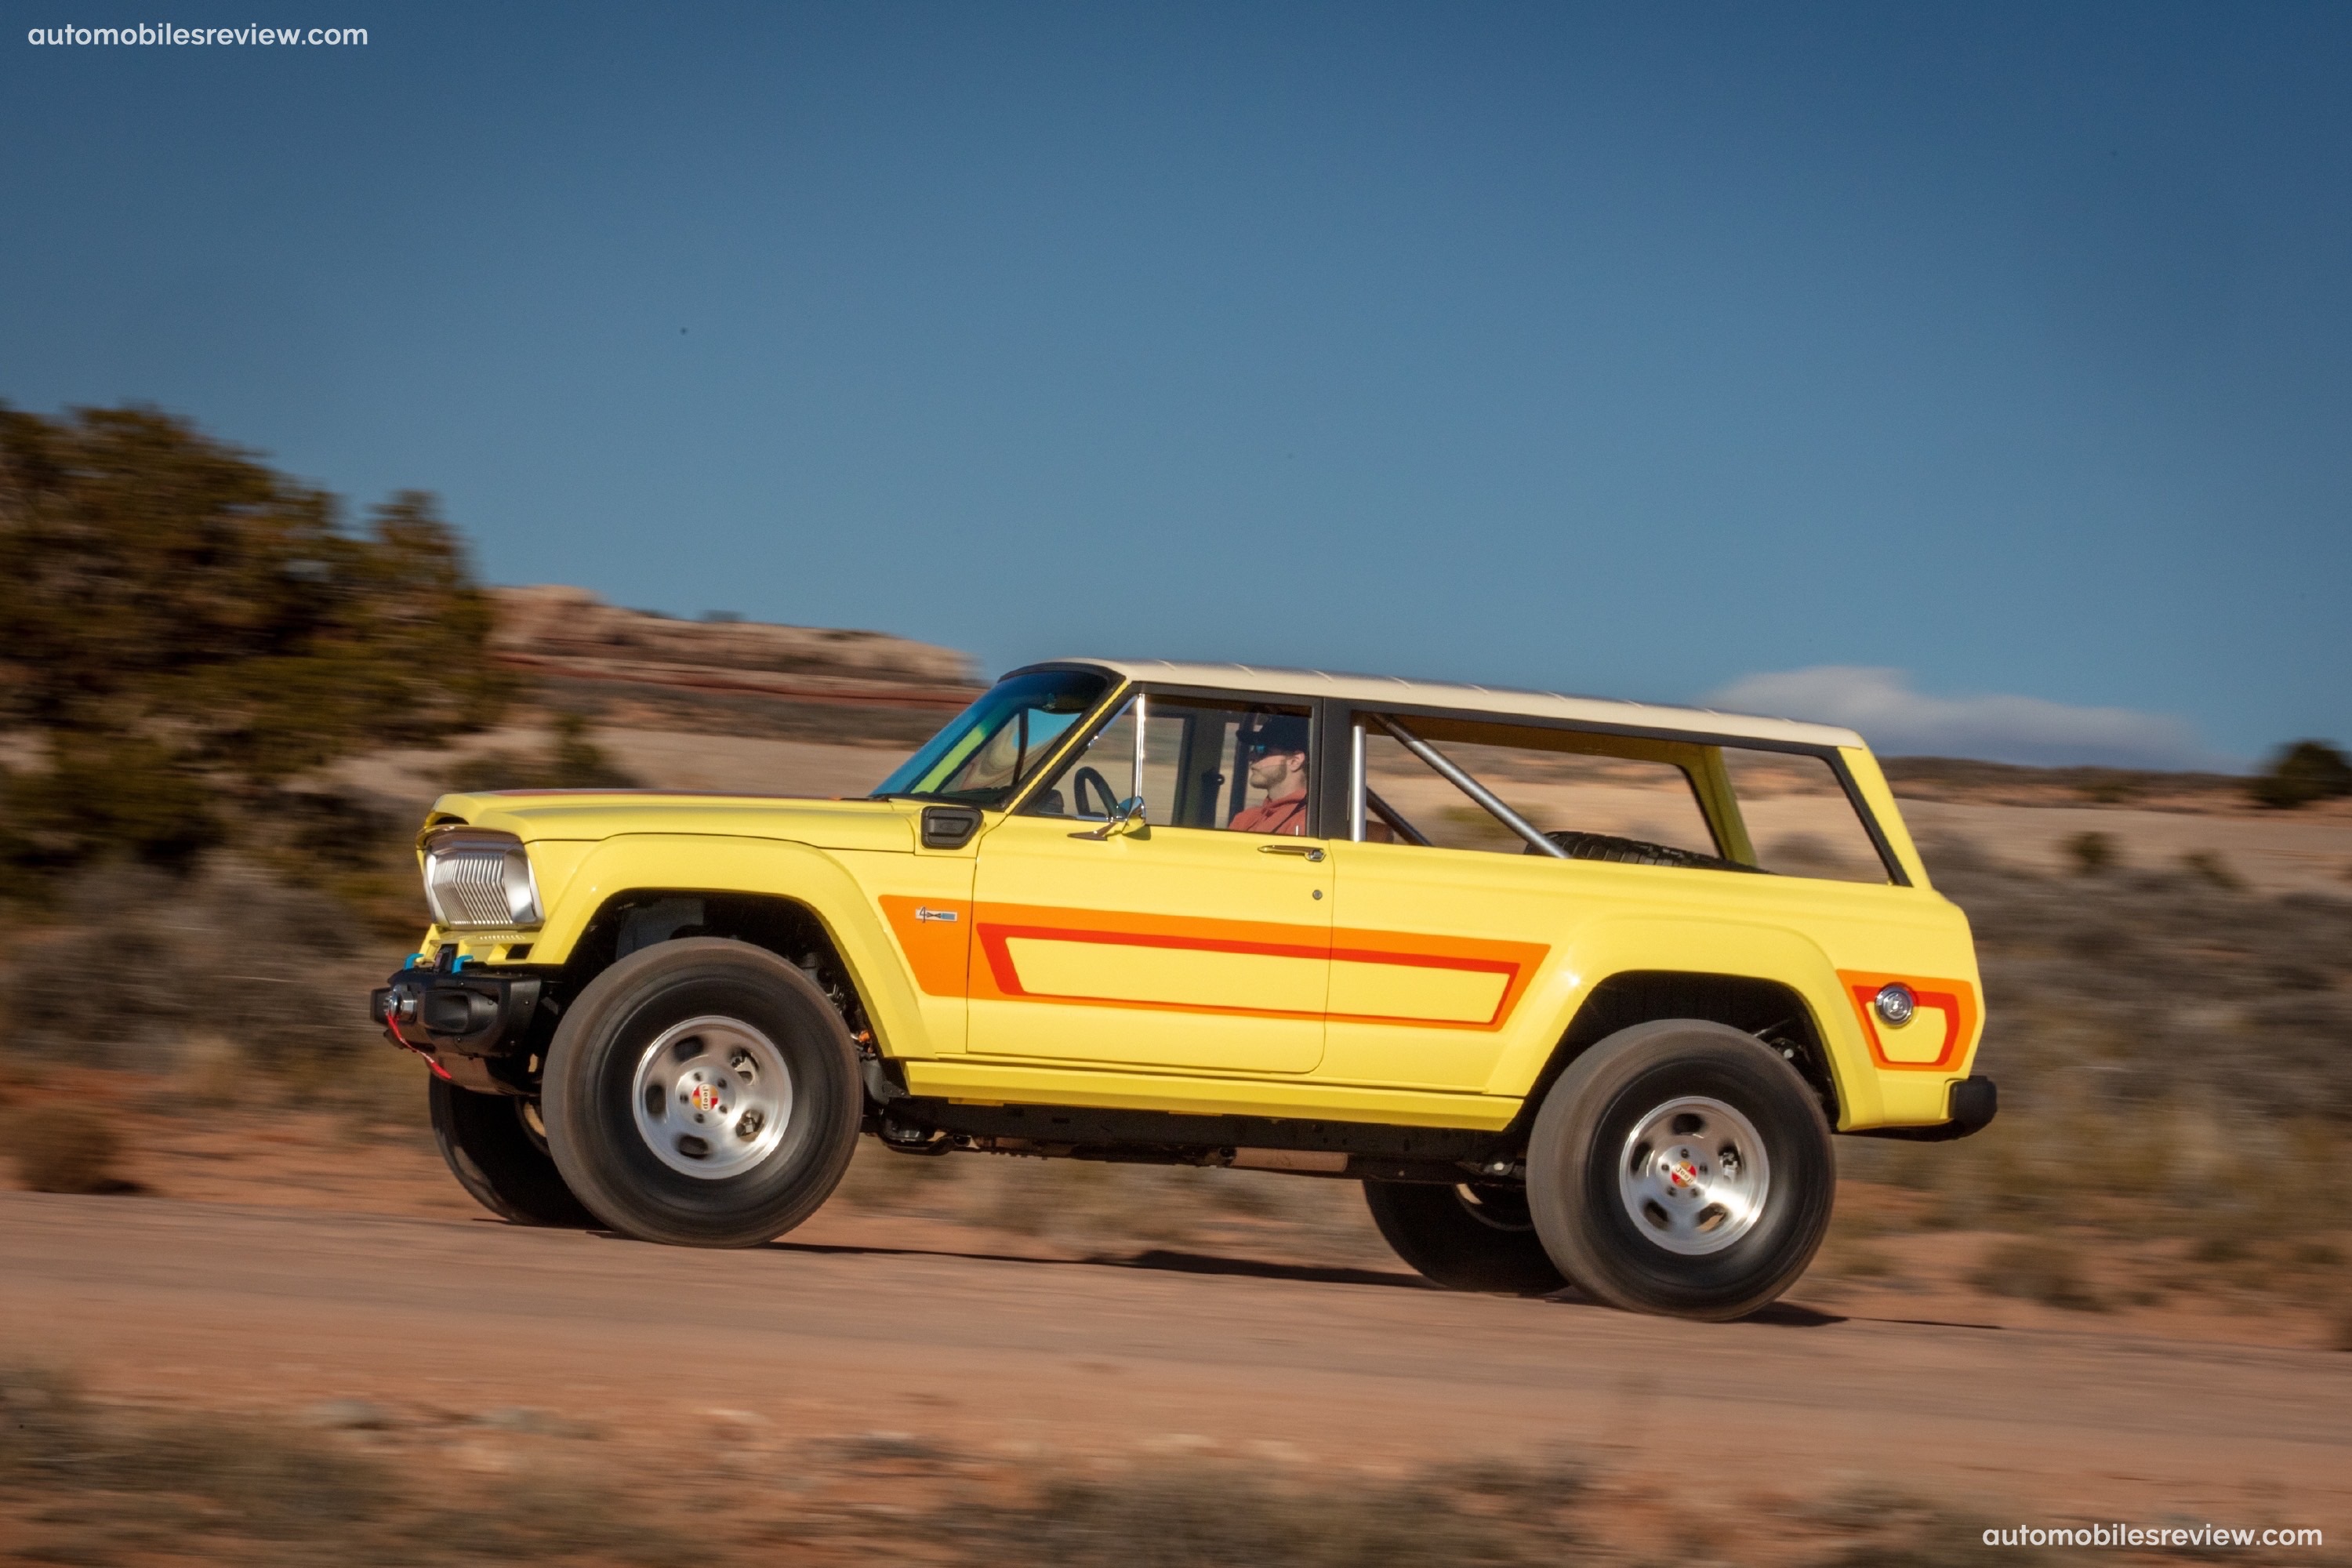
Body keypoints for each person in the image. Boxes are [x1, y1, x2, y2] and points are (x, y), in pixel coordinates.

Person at [1229, 712, 1311, 835]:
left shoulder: (1308, 824)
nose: (1251, 756)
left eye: (1262, 749)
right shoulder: (1244, 820)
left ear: (1295, 761)